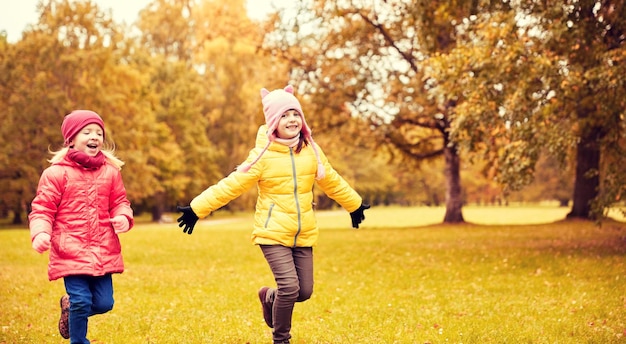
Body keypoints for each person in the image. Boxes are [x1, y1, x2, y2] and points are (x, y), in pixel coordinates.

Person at [177, 85, 370, 344]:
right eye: (284, 115)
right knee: (290, 288)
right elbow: (231, 185)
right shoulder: (262, 156)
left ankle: (269, 297)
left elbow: (331, 180)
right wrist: (197, 208)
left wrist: (354, 204)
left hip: (303, 233)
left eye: (295, 114)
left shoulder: (311, 150)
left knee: (304, 291)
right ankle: (281, 340)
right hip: (272, 232)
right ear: (273, 123)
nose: (292, 120)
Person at [29, 110, 134, 344]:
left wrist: (123, 217)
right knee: (82, 301)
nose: (94, 136)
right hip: (71, 250)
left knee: (105, 303)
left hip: (103, 250)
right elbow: (42, 209)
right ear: (71, 139)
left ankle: (69, 308)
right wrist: (41, 232)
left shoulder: (111, 172)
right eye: (87, 132)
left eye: (98, 132)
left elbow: (120, 202)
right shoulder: (55, 174)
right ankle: (78, 340)